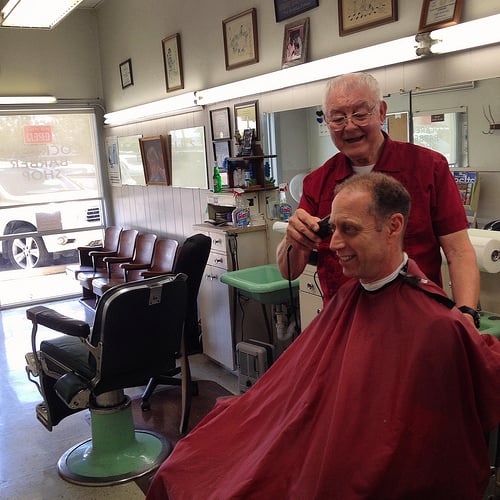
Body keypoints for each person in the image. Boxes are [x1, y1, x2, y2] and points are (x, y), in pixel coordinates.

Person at [146, 173, 500, 499]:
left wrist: (467, 323)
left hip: (366, 469)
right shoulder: (349, 297)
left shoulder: (436, 324)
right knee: (190, 463)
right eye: (333, 229)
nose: (334, 244)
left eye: (350, 229)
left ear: (393, 227)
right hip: (310, 437)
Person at [277, 72, 480, 326]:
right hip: (345, 325)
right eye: (337, 118)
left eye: (361, 114)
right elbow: (289, 270)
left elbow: (459, 251)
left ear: (381, 113)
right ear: (327, 122)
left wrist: (466, 314)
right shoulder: (317, 182)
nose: (349, 126)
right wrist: (292, 238)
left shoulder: (429, 168)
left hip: (417, 323)